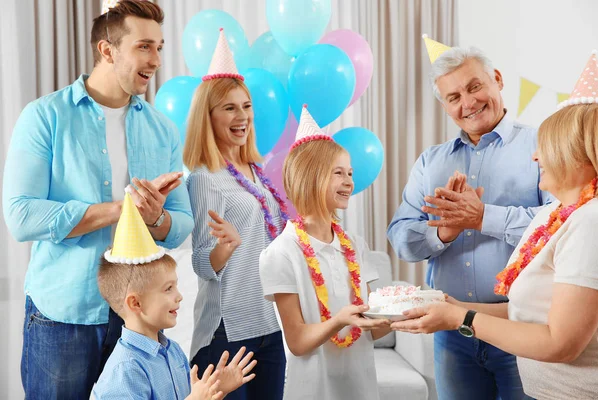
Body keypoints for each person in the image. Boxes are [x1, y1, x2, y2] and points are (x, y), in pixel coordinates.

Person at [2, 1, 193, 398]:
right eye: (144, 46)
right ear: (107, 50)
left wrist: (156, 218)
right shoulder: (45, 117)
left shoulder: (163, 130)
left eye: (159, 47)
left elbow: (181, 223)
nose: (156, 59)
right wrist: (122, 211)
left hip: (137, 319)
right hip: (64, 314)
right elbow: (21, 215)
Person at [390, 53, 598, 400]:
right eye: (454, 97)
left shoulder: (546, 145)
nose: (468, 103)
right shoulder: (431, 161)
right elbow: (401, 239)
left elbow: (558, 223)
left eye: (474, 87)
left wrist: (483, 217)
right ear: (444, 105)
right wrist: (445, 232)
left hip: (523, 328)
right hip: (456, 328)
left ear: (497, 79)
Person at [259, 105, 391, 400]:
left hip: (361, 389)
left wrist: (405, 313)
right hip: (313, 392)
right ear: (312, 177)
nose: (349, 181)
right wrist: (340, 320)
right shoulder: (281, 253)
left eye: (351, 173)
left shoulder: (355, 245)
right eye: (339, 173)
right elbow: (297, 342)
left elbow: (373, 328)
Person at [183, 29, 287, 399]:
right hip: (226, 333)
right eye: (229, 107)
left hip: (269, 327)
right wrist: (224, 248)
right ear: (207, 117)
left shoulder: (257, 175)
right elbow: (199, 262)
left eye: (246, 106)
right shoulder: (204, 178)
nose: (242, 116)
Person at [93, 191, 256, 399]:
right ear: (136, 303)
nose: (179, 296)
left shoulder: (173, 351)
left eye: (176, 286)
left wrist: (215, 389)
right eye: (168, 288)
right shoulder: (125, 370)